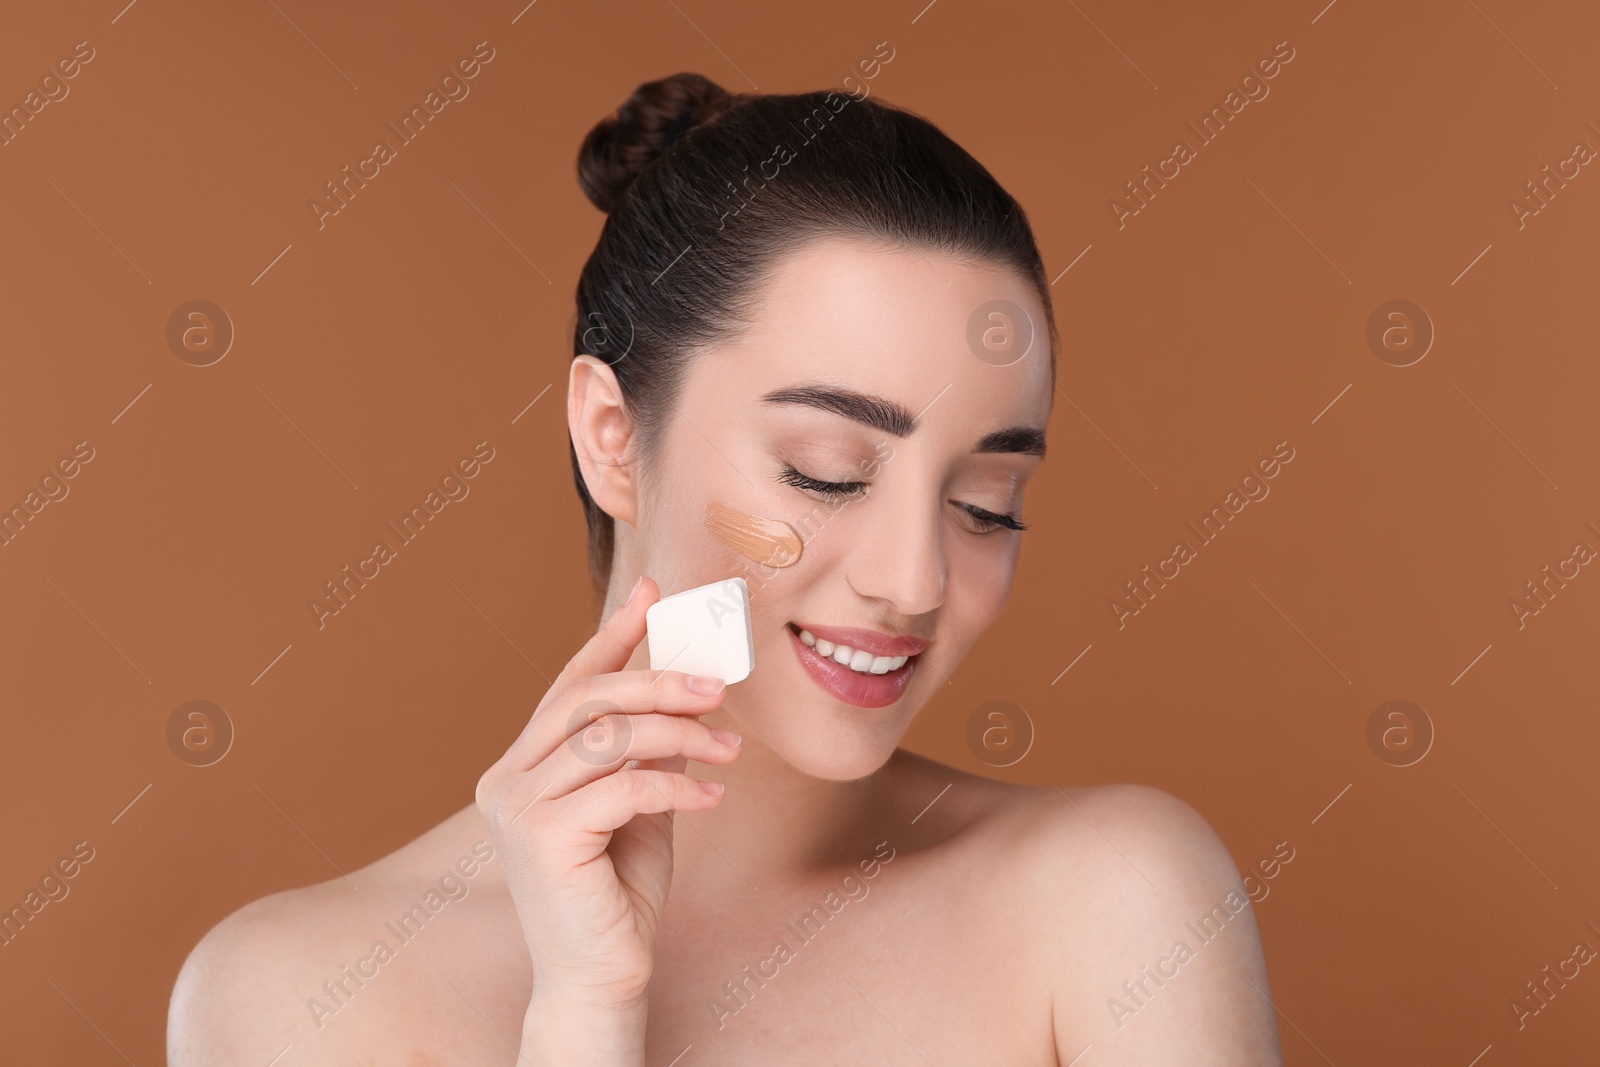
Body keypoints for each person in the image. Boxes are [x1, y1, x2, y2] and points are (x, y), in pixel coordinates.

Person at [168, 72, 1282, 1065]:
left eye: (983, 504)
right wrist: (585, 1017)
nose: (915, 581)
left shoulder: (1114, 901)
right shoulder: (298, 995)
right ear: (612, 436)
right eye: (827, 471)